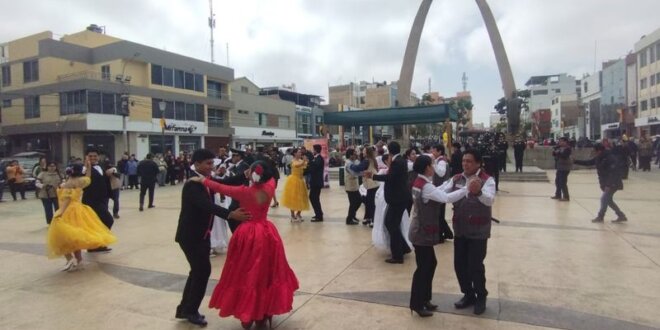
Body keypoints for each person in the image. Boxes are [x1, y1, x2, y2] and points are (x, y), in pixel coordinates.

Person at [191, 160, 299, 329]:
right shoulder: (270, 188)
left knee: (245, 271)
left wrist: (202, 180)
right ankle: (263, 314)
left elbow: (220, 188)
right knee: (265, 272)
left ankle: (247, 315)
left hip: (247, 234)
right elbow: (271, 176)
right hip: (266, 233)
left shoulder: (243, 192)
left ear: (251, 174)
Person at [174, 149, 250, 327]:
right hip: (191, 237)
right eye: (207, 164)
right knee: (202, 271)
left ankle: (184, 308)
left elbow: (226, 183)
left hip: (202, 235)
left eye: (212, 163)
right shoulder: (193, 184)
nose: (211, 167)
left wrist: (245, 175)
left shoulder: (205, 179)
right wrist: (231, 214)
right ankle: (190, 311)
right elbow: (206, 206)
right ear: (197, 164)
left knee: (197, 271)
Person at [436, 149, 496, 315]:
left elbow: (490, 199)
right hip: (460, 230)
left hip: (478, 232)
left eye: (469, 161)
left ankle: (481, 296)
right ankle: (468, 294)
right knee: (459, 265)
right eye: (463, 161)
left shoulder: (487, 180)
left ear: (478, 163)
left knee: (475, 266)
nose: (465, 164)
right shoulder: (456, 178)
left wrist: (478, 192)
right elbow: (442, 191)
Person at [46, 160, 117, 272]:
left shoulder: (69, 183)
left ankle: (70, 259)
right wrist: (88, 167)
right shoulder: (81, 181)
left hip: (68, 211)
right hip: (79, 210)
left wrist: (60, 212)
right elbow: (88, 178)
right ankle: (78, 261)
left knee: (63, 237)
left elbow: (67, 199)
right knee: (76, 238)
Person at [408, 155, 444, 317]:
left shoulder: (421, 182)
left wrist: (452, 184)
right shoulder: (425, 186)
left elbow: (438, 192)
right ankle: (417, 303)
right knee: (424, 268)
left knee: (430, 264)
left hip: (419, 230)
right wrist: (466, 189)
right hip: (421, 232)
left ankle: (424, 299)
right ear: (426, 168)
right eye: (432, 165)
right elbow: (445, 197)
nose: (433, 167)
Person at [366, 141, 412, 264]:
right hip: (399, 198)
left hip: (397, 199)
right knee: (392, 224)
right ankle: (403, 248)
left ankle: (398, 255)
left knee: (391, 224)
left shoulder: (397, 162)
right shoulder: (401, 160)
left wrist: (373, 176)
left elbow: (390, 178)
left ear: (389, 151)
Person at [573, 144, 628, 223]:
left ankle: (600, 216)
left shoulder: (610, 158)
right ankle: (621, 215)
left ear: (598, 150)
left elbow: (613, 172)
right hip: (605, 182)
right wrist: (575, 161)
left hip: (613, 183)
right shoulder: (599, 157)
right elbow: (589, 162)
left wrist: (609, 184)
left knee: (604, 199)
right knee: (608, 200)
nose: (593, 152)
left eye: (594, 150)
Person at [81, 147, 114, 253]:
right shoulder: (84, 169)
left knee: (99, 222)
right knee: (108, 220)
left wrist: (113, 170)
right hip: (91, 201)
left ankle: (97, 244)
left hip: (103, 199)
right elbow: (84, 180)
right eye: (90, 156)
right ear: (86, 157)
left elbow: (112, 171)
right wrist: (87, 167)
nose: (93, 158)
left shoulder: (101, 167)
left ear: (98, 157)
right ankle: (95, 244)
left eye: (95, 156)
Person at [212, 149, 251, 233]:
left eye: (234, 155)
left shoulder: (243, 166)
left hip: (240, 195)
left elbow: (237, 179)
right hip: (236, 194)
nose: (232, 157)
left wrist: (226, 172)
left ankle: (239, 235)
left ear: (240, 157)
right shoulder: (236, 166)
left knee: (235, 216)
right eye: (232, 155)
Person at [350, 146, 379, 226]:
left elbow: (358, 168)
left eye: (364, 151)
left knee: (371, 203)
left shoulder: (367, 161)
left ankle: (373, 220)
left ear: (368, 152)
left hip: (372, 184)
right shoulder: (371, 160)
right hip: (372, 184)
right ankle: (368, 218)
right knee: (368, 202)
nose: (363, 152)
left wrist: (350, 165)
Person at [280, 148, 309, 222]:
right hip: (294, 181)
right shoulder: (293, 161)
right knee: (293, 198)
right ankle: (292, 215)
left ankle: (298, 214)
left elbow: (305, 165)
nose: (300, 153)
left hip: (301, 181)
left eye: (300, 152)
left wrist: (306, 161)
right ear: (295, 154)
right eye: (298, 152)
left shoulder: (301, 161)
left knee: (302, 198)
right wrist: (304, 161)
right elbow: (297, 165)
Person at [343, 149, 361, 225]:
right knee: (353, 203)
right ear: (350, 155)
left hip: (355, 186)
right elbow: (354, 173)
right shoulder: (348, 163)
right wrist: (362, 173)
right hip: (350, 187)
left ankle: (352, 215)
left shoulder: (354, 161)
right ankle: (349, 219)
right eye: (354, 154)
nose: (355, 155)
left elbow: (359, 165)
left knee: (359, 201)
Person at [551, 137, 572, 201]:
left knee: (563, 182)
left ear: (565, 142)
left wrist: (558, 152)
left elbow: (564, 156)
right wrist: (555, 152)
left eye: (561, 141)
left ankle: (566, 196)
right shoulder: (559, 148)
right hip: (559, 167)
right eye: (559, 141)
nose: (560, 142)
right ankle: (558, 195)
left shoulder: (568, 149)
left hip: (565, 168)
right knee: (557, 181)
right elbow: (554, 154)